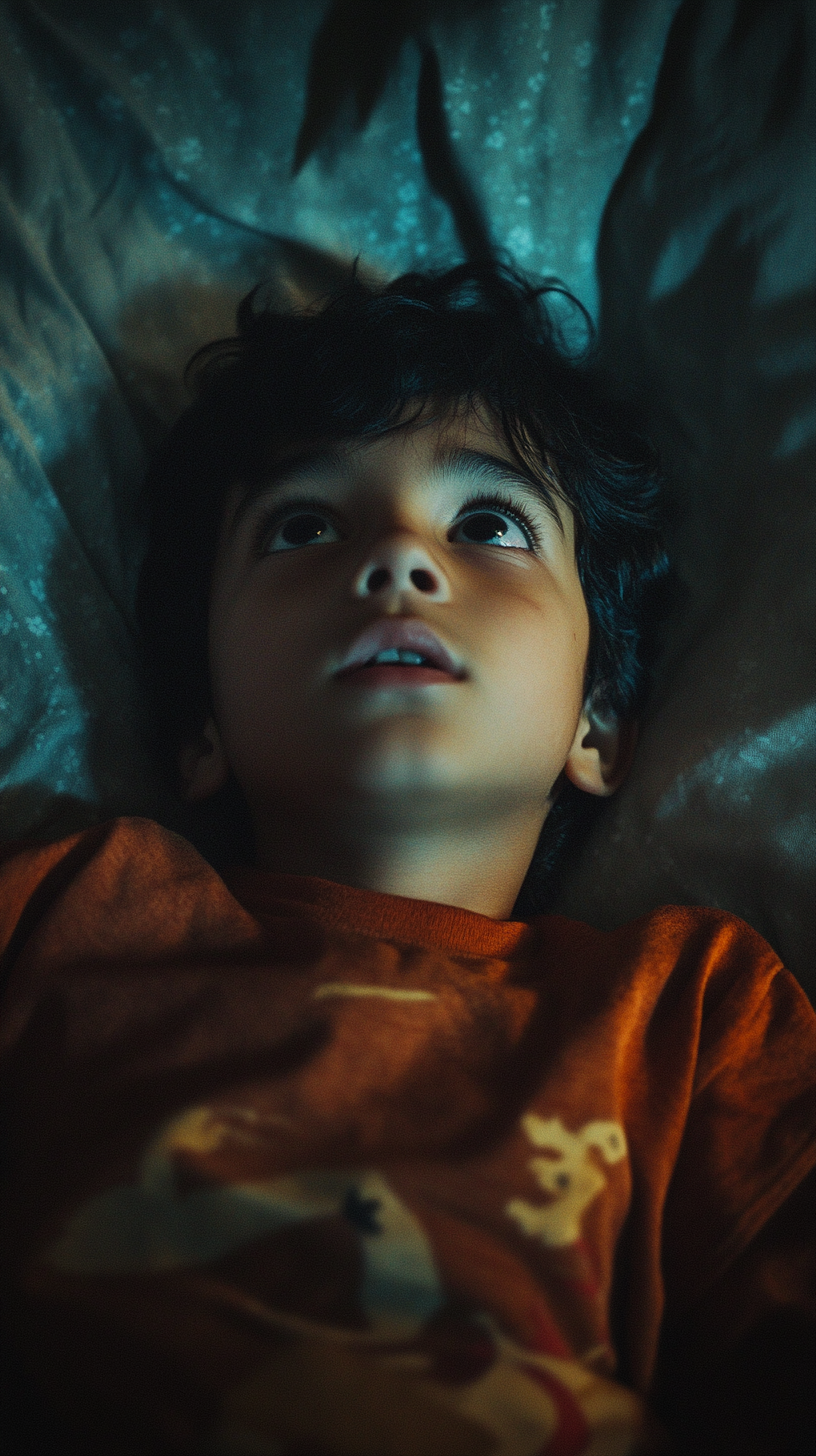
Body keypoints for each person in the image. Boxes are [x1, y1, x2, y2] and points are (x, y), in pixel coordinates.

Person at [0, 263, 813, 1456]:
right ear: (200, 730)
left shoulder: (690, 1017)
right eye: (304, 525)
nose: (396, 559)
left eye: (488, 523)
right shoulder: (71, 916)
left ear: (596, 722)